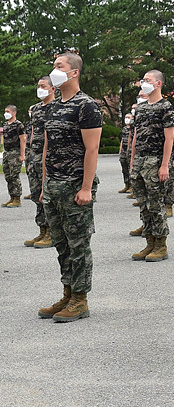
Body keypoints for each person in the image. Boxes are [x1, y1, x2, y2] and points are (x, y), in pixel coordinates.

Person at [37, 52, 103, 322]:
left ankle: (80, 299)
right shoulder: (52, 106)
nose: (54, 71)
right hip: (53, 186)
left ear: (73, 72)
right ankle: (67, 292)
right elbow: (47, 147)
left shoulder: (86, 106)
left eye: (59, 66)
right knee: (62, 244)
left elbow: (92, 149)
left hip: (75, 185)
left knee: (78, 245)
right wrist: (44, 184)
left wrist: (86, 187)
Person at [130, 69, 174, 262]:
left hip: (155, 161)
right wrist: (132, 160)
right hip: (140, 161)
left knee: (155, 204)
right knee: (143, 204)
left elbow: (169, 138)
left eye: (147, 80)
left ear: (158, 83)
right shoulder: (140, 109)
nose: (143, 82)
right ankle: (149, 242)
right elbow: (136, 136)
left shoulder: (166, 107)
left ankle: (161, 244)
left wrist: (165, 165)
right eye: (143, 79)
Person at [24, 78, 56, 247]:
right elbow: (33, 133)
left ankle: (51, 233)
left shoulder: (56, 107)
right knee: (37, 194)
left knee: (48, 195)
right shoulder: (36, 109)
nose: (39, 89)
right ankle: (42, 230)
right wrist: (29, 156)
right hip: (35, 155)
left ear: (53, 89)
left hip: (50, 155)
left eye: (43, 86)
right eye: (38, 86)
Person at [2, 104, 26, 207]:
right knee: (8, 176)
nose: (6, 113)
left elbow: (22, 140)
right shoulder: (6, 124)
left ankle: (17, 199)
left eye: (8, 111)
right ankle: (11, 197)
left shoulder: (18, 125)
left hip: (15, 153)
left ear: (14, 113)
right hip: (7, 153)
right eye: (5, 111)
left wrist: (22, 155)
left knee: (14, 176)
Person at [118, 104, 135, 195]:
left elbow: (130, 139)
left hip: (129, 150)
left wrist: (129, 149)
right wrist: (120, 150)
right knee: (124, 168)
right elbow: (122, 140)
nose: (127, 119)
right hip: (124, 150)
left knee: (130, 168)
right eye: (126, 117)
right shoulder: (124, 128)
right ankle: (126, 184)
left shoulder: (132, 128)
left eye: (128, 117)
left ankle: (132, 186)